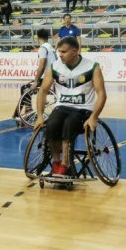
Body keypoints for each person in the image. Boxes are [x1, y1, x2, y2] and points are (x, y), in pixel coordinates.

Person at [34, 36, 107, 178]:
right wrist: (39, 116)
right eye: (59, 51)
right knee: (51, 125)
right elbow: (42, 91)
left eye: (63, 52)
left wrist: (94, 117)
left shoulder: (92, 66)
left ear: (75, 51)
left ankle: (65, 165)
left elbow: (102, 94)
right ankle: (56, 162)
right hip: (62, 107)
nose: (60, 55)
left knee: (69, 124)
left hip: (83, 109)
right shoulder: (54, 67)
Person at [13, 29, 57, 122]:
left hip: (48, 78)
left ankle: (21, 114)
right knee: (27, 88)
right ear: (47, 37)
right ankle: (27, 110)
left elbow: (42, 65)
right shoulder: (51, 47)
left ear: (37, 38)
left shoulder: (43, 48)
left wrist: (36, 81)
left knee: (25, 88)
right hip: (54, 76)